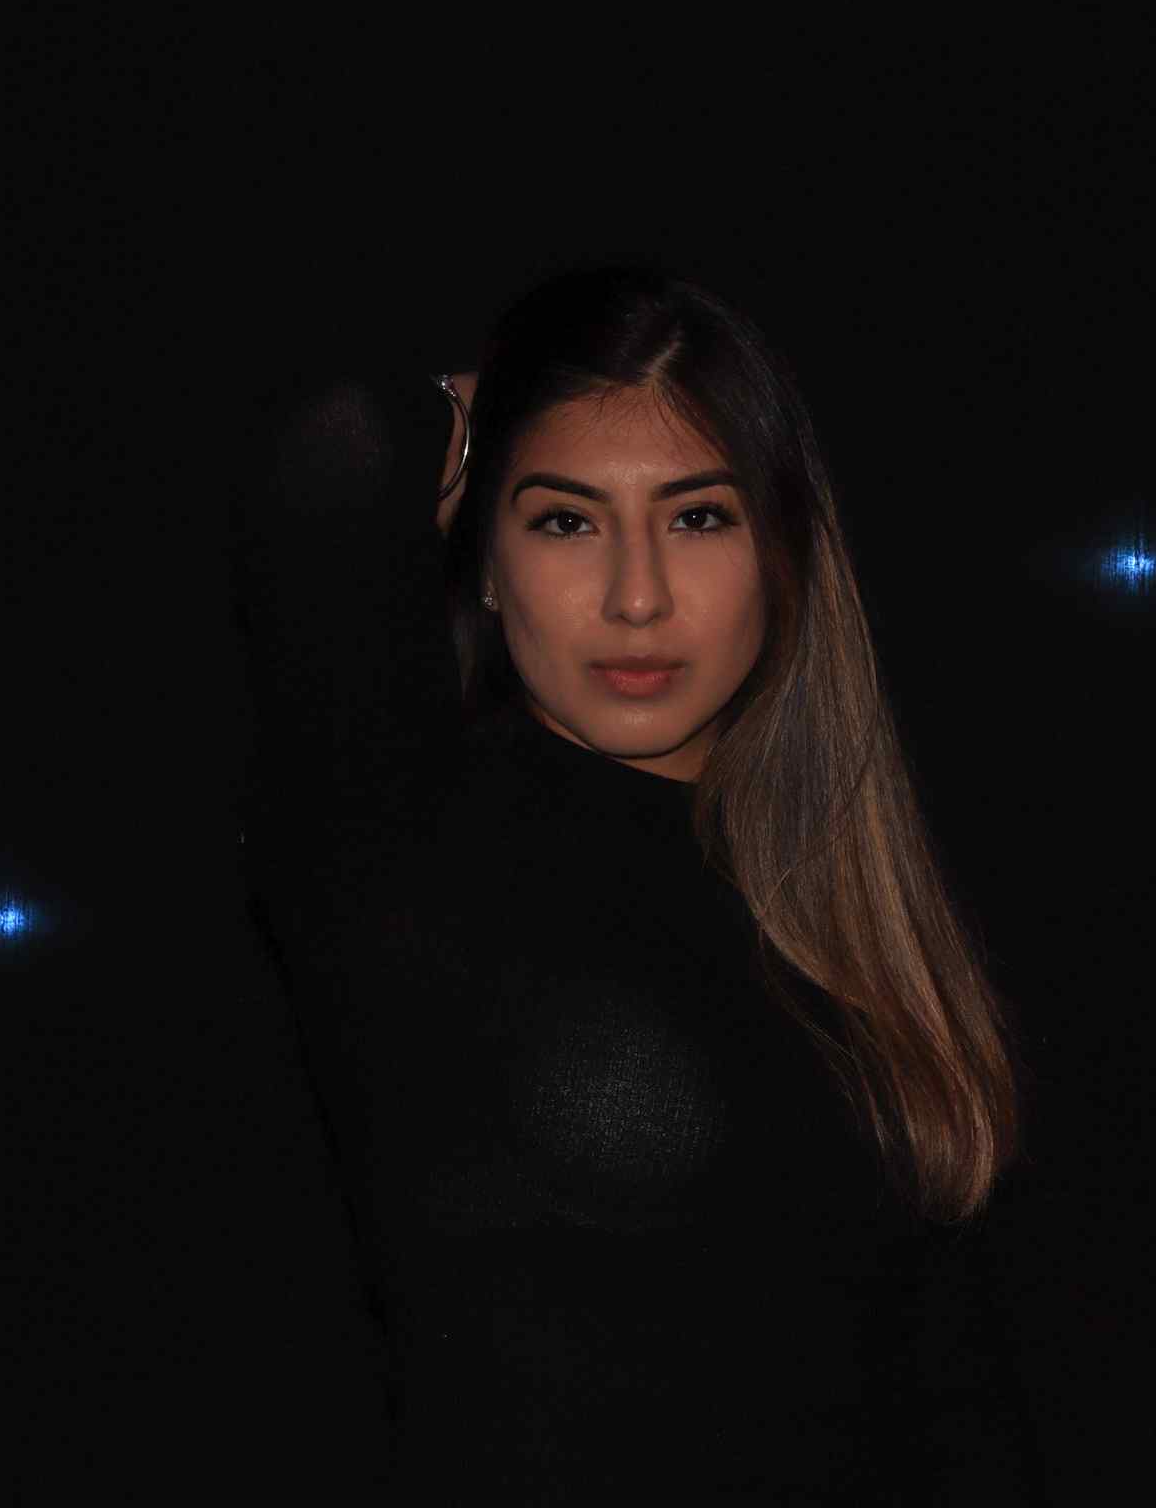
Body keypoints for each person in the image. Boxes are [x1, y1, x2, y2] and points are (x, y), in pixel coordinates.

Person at [233, 262, 1048, 1503]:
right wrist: (472, 398)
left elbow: (957, 1405)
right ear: (484, 555)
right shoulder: (401, 843)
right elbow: (327, 436)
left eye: (698, 516)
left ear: (782, 552)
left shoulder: (849, 903)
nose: (637, 595)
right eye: (566, 520)